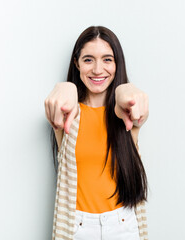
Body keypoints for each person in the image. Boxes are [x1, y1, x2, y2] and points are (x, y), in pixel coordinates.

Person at [44, 26, 149, 240]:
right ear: (77, 63)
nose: (98, 69)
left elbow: (131, 100)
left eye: (107, 59)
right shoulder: (67, 116)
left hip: (124, 225)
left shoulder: (128, 113)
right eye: (89, 60)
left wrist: (125, 91)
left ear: (117, 64)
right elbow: (63, 99)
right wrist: (65, 87)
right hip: (79, 228)